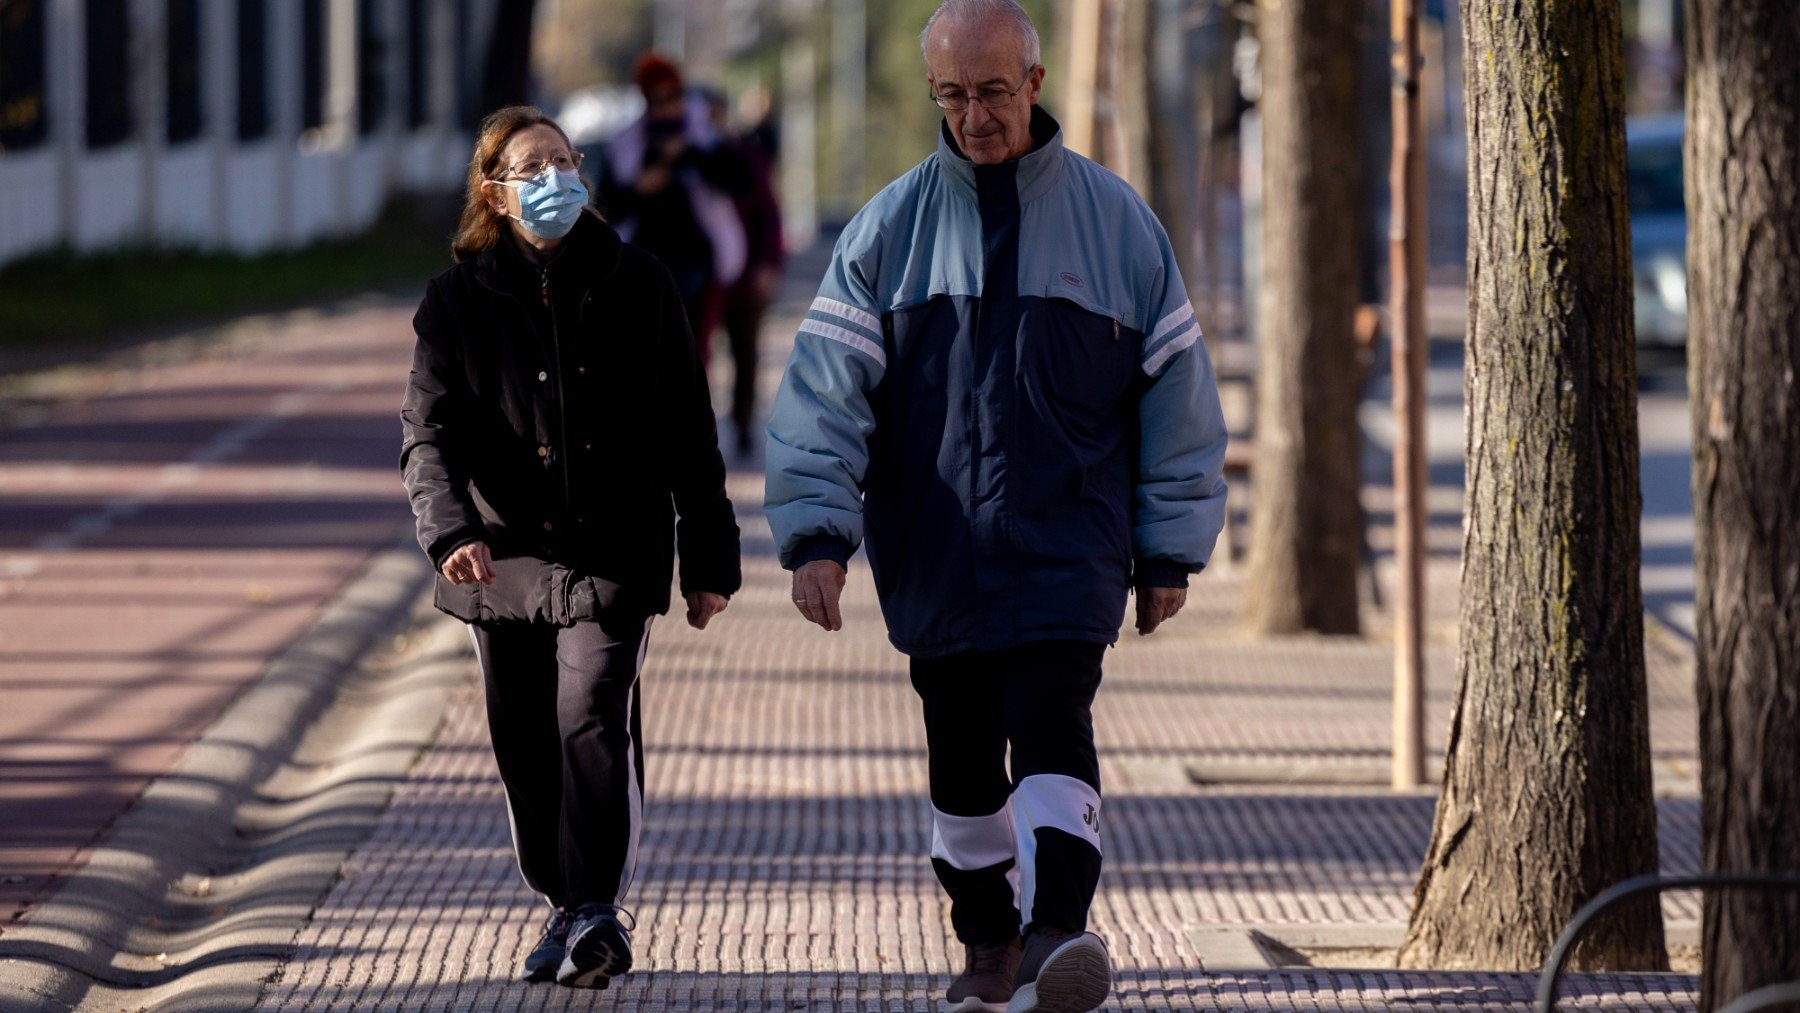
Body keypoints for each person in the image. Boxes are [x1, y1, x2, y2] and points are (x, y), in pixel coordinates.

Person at [762, 1, 1228, 1010]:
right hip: (937, 546)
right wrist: (816, 534)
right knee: (962, 755)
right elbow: (822, 396)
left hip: (1072, 541)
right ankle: (988, 941)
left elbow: (1179, 398)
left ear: (1037, 83)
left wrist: (1167, 551)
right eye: (954, 95)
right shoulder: (888, 230)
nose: (975, 116)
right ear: (935, 93)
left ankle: (1061, 930)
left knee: (1050, 715)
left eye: (994, 92)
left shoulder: (1118, 225)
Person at [400, 105, 740, 990]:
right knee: (524, 739)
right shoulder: (454, 301)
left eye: (565, 159)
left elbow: (687, 430)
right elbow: (424, 437)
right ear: (495, 193)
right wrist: (450, 531)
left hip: (613, 550)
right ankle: (560, 900)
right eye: (531, 166)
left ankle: (594, 905)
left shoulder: (642, 283)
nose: (554, 176)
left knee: (590, 710)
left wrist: (709, 555)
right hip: (498, 558)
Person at [600, 54, 750, 365]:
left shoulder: (704, 135)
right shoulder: (630, 143)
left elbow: (741, 182)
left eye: (674, 95)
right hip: (645, 259)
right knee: (649, 352)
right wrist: (640, 189)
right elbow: (607, 206)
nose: (667, 106)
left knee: (692, 352)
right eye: (657, 98)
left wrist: (690, 154)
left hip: (698, 261)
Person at [699, 85, 787, 457]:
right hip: (699, 277)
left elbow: (769, 213)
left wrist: (769, 263)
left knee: (745, 353)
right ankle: (697, 430)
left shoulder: (745, 156)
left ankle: (743, 425)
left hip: (746, 277)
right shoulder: (684, 157)